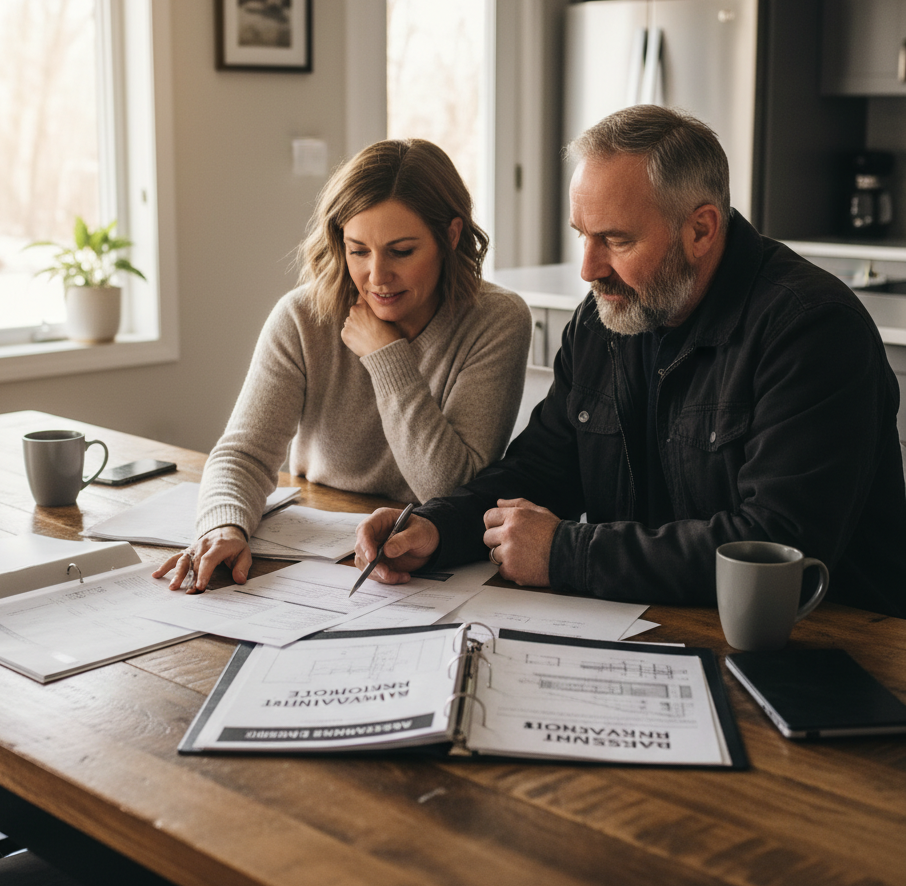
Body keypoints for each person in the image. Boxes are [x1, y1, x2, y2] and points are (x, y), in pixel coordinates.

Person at [354, 106, 906, 618]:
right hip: (653, 619)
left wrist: (567, 553)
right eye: (582, 237)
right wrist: (432, 526)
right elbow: (540, 469)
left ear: (701, 229)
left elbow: (777, 546)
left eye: (615, 240)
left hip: (829, 646)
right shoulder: (604, 321)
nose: (589, 269)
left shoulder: (812, 329)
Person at [154, 138, 532, 592]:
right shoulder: (301, 317)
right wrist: (223, 526)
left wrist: (386, 357)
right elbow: (244, 454)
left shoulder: (497, 319)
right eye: (358, 250)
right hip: (311, 560)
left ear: (450, 237)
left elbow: (452, 490)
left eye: (401, 251)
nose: (377, 276)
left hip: (427, 565)